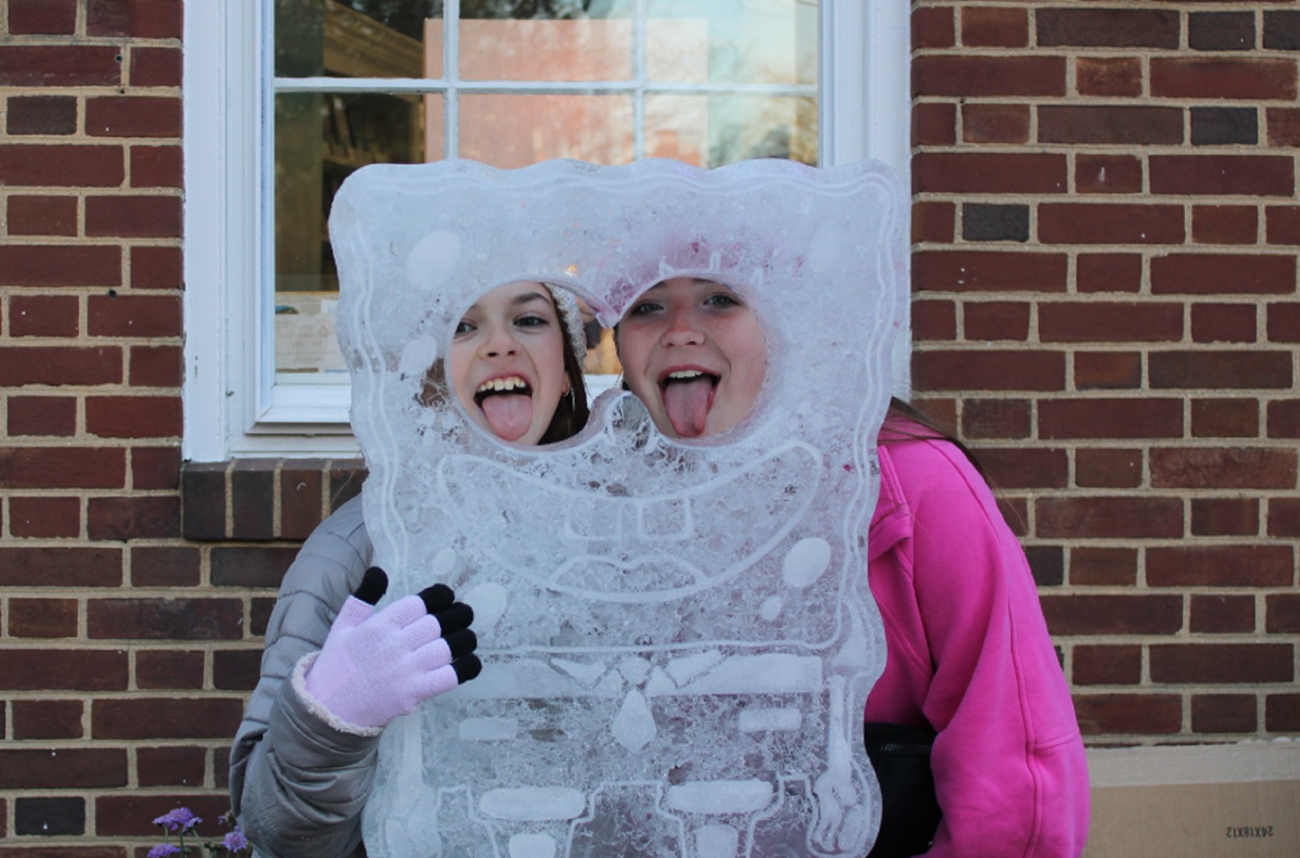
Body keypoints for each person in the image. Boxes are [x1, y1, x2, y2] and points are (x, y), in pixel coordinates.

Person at [614, 275, 1091, 858]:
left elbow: (1012, 755)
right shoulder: (609, 512)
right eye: (648, 307)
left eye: (720, 300)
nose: (681, 331)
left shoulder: (913, 483)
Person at [230, 280, 590, 858]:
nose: (500, 345)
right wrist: (332, 720)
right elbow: (275, 829)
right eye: (464, 325)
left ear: (568, 371)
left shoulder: (616, 536)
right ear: (432, 375)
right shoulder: (355, 552)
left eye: (528, 321)